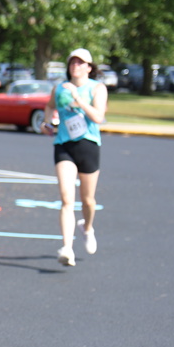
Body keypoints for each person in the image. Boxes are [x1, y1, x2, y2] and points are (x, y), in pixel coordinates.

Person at [41, 48, 108, 267]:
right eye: (72, 62)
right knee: (66, 199)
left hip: (88, 145)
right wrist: (47, 122)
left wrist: (78, 98)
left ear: (89, 67)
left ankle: (87, 228)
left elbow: (98, 117)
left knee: (88, 200)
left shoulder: (97, 88)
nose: (75, 66)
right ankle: (67, 248)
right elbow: (49, 106)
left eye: (80, 63)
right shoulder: (59, 88)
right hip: (64, 146)